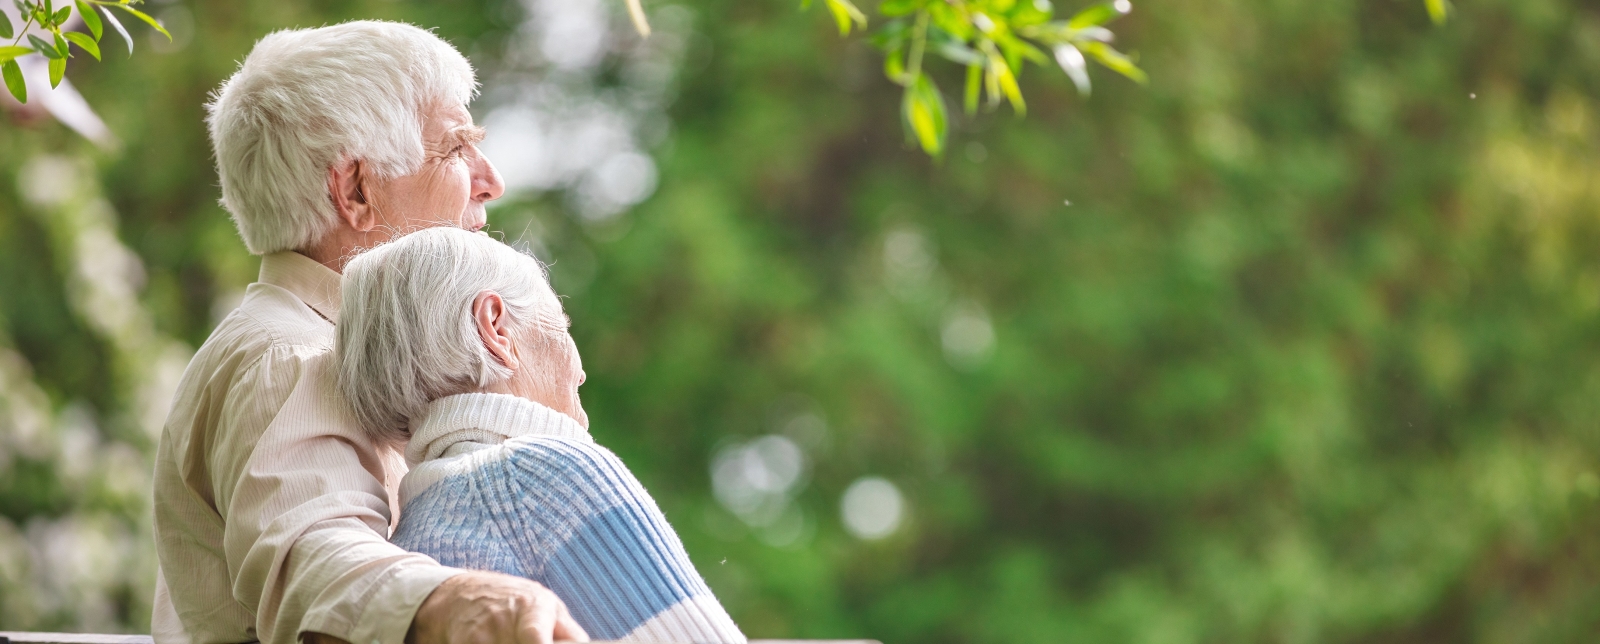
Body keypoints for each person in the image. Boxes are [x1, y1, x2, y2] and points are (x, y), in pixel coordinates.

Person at [151, 21, 588, 644]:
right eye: (458, 148)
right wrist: (452, 599)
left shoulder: (327, 347)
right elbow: (312, 552)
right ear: (356, 190)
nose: (492, 180)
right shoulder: (292, 355)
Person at [334, 227, 746, 643]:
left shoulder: (409, 531)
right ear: (495, 328)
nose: (581, 371)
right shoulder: (546, 475)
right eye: (562, 325)